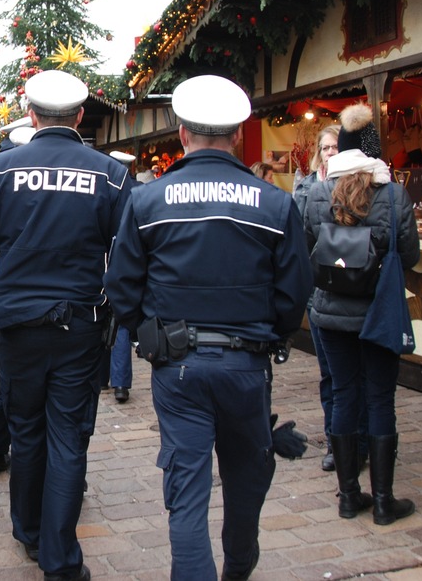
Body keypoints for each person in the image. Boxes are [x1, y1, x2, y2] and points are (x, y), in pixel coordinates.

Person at [105, 76, 311, 581]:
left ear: (182, 134)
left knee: (187, 496)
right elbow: (294, 293)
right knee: (245, 481)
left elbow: (121, 286)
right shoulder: (274, 203)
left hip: (178, 368)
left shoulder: (149, 201)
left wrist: (145, 332)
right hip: (246, 364)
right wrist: (272, 335)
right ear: (239, 135)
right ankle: (238, 568)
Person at [0, 69, 131, 581]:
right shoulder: (111, 175)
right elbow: (128, 251)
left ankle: (28, 531)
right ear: (79, 116)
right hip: (79, 323)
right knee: (68, 437)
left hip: (16, 324)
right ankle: (59, 557)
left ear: (31, 116)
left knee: (26, 431)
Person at [303, 103, 420, 526]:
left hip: (331, 314)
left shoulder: (317, 193)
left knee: (344, 394)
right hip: (380, 312)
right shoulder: (392, 193)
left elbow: (306, 250)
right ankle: (385, 501)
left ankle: (349, 497)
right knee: (380, 398)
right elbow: (410, 254)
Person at [292, 125, 368, 473]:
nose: (330, 153)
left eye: (335, 147)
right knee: (330, 374)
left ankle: (360, 442)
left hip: (355, 290)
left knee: (357, 375)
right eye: (325, 148)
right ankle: (336, 441)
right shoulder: (308, 187)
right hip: (321, 291)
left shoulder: (366, 185)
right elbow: (302, 238)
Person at [105, 151, 137, 403]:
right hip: (125, 264)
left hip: (102, 261)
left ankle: (101, 376)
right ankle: (120, 383)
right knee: (120, 323)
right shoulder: (139, 191)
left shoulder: (105, 187)